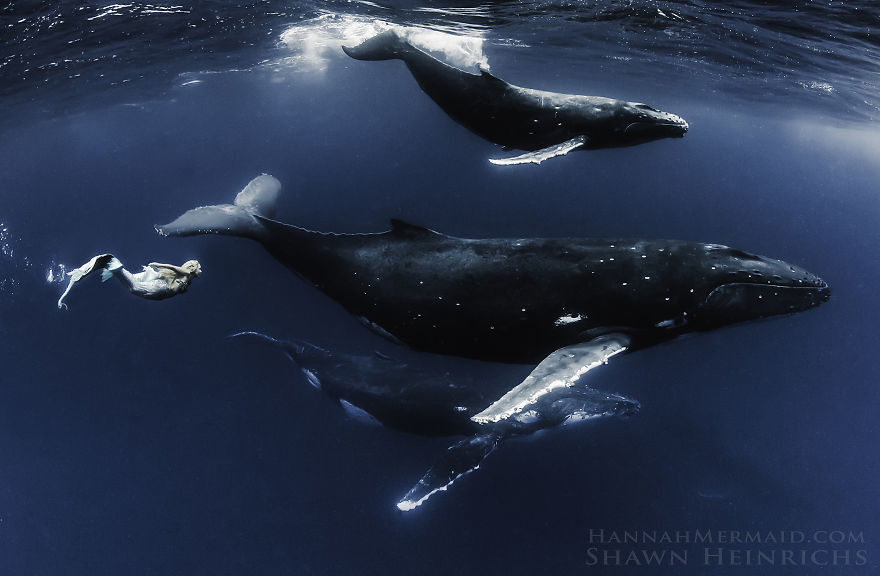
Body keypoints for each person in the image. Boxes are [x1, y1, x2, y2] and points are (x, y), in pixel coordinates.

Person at [57, 254, 201, 309]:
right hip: (148, 290)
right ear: (193, 268)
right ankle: (106, 264)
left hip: (152, 291)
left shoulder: (185, 280)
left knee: (128, 279)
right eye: (199, 267)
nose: (201, 270)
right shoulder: (187, 273)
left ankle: (106, 266)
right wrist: (158, 265)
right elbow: (173, 267)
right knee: (110, 261)